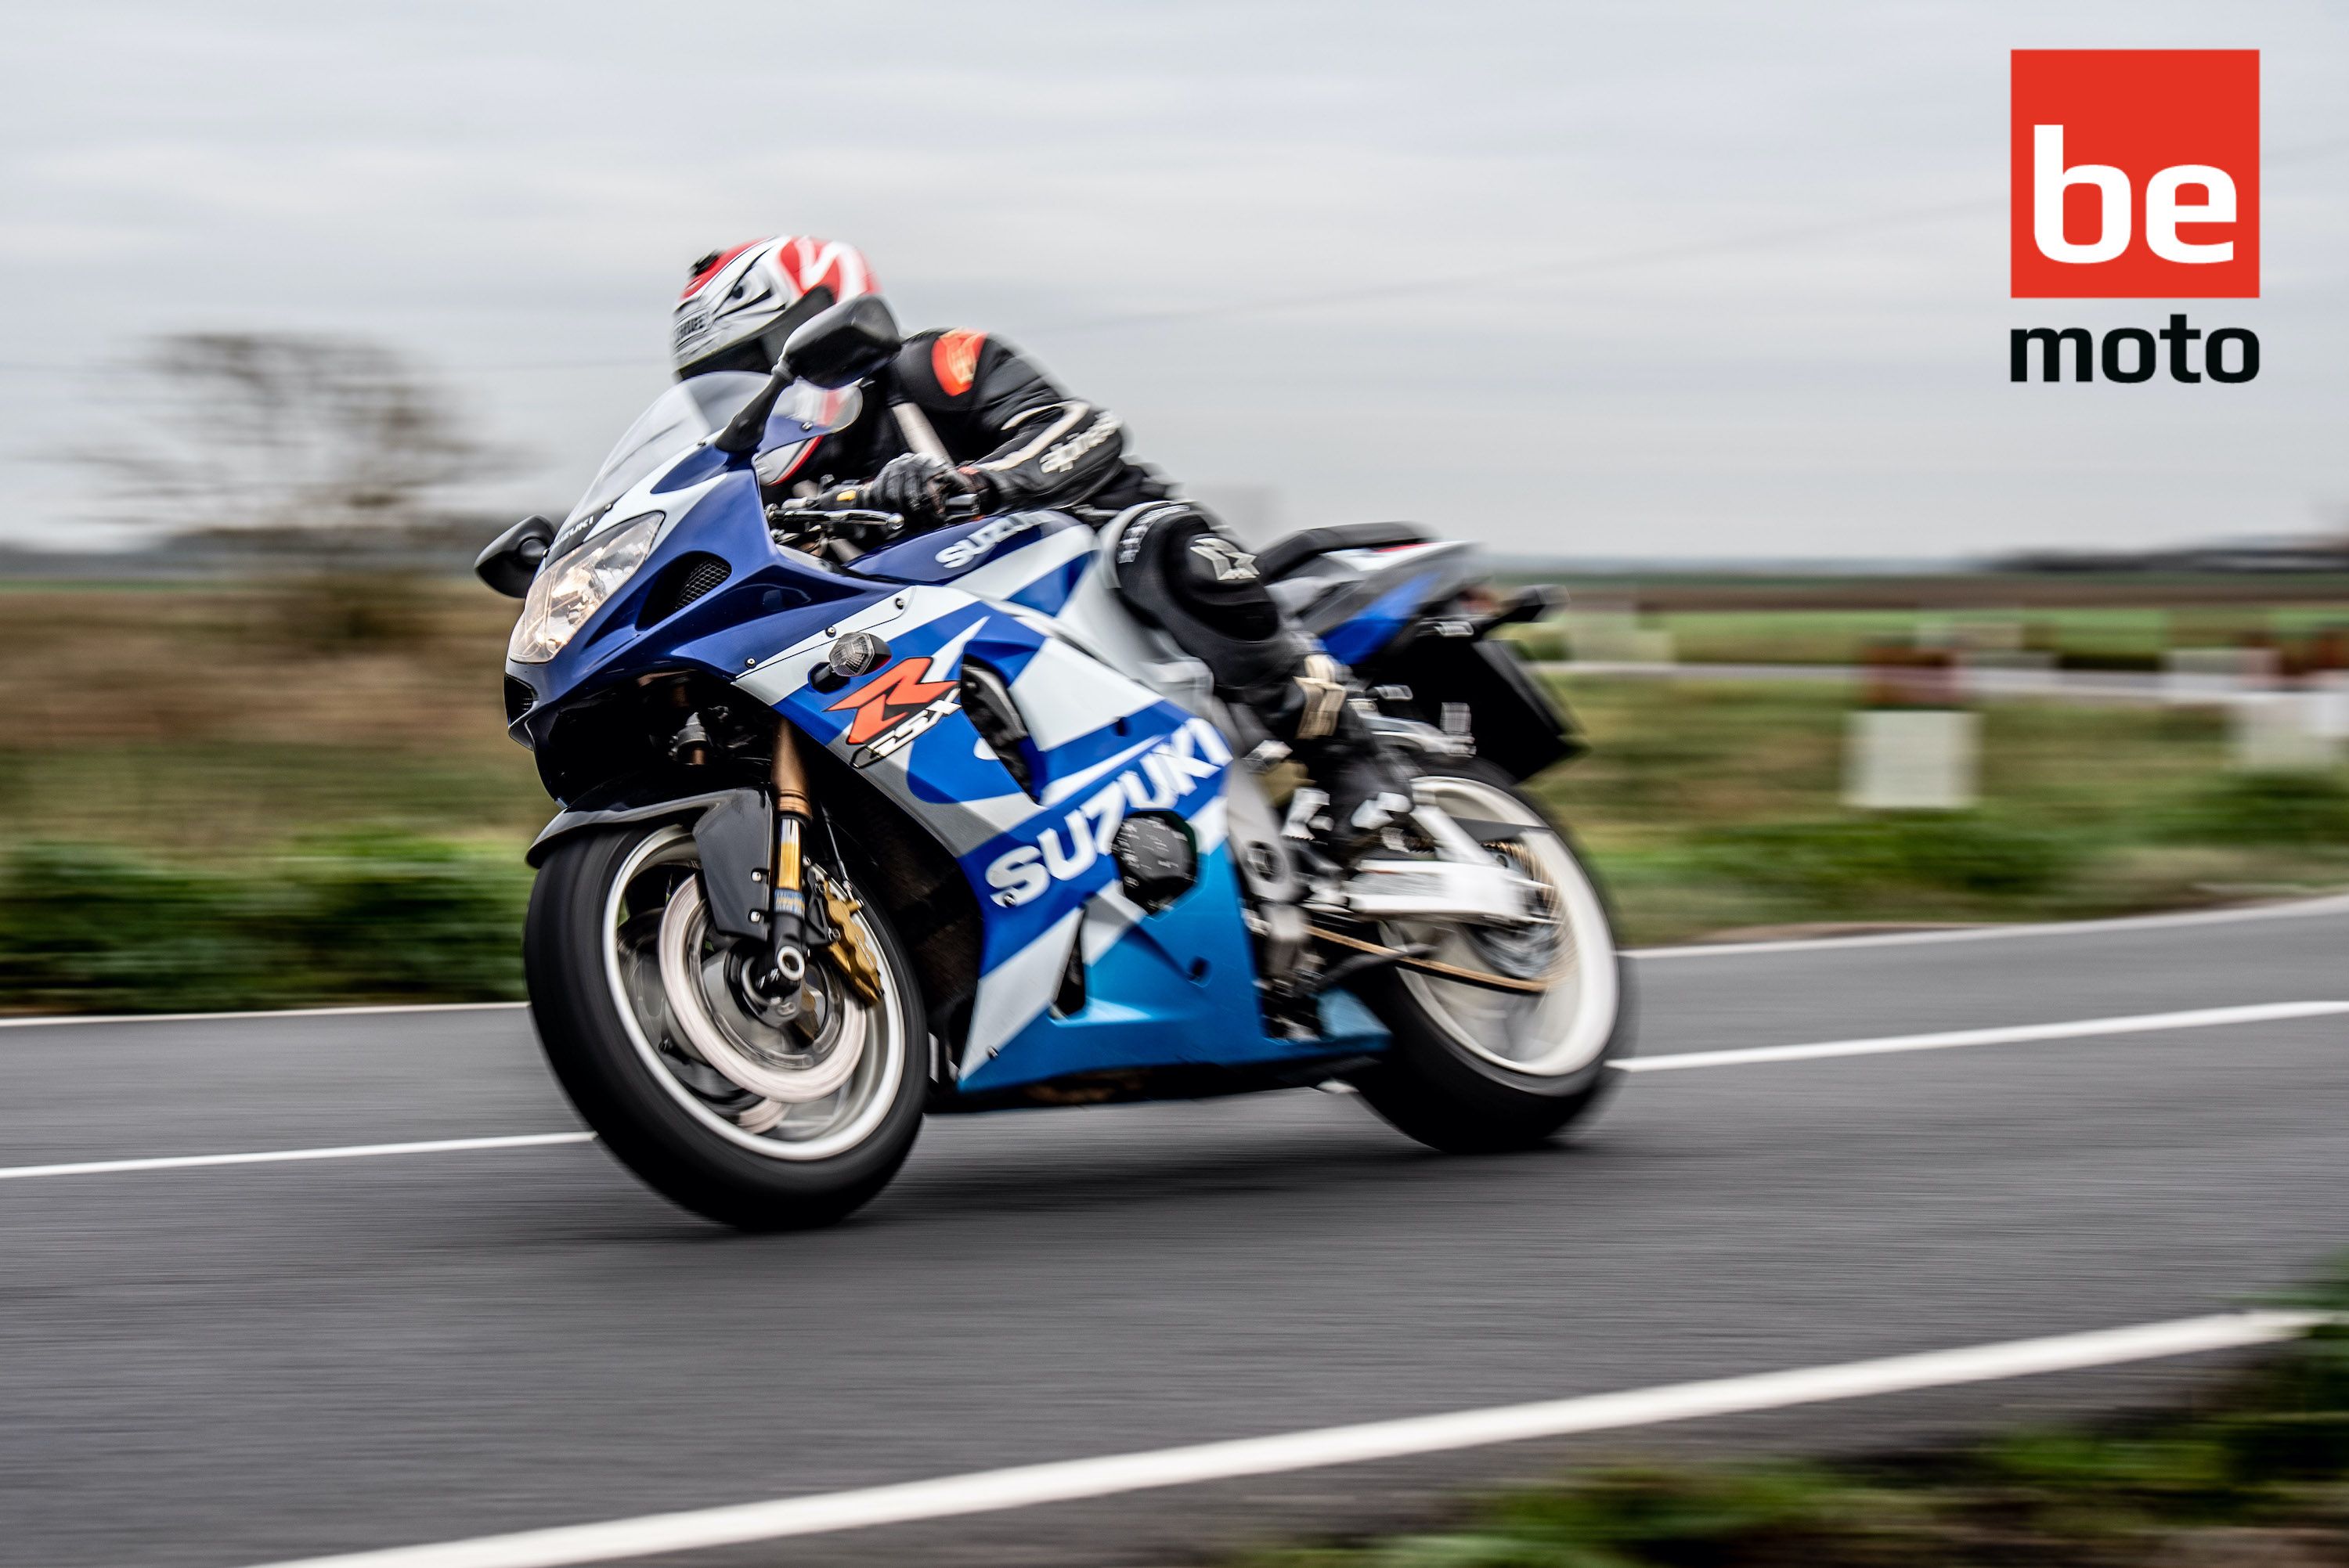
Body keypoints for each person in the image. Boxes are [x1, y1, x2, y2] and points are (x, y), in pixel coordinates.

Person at [672, 235, 1413, 852]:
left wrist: (975, 482)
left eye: (760, 363)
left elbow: (1083, 429)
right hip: (970, 645)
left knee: (1159, 546)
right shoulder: (774, 492)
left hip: (1099, 565)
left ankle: (1350, 754)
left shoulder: (935, 366)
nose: (755, 396)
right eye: (720, 386)